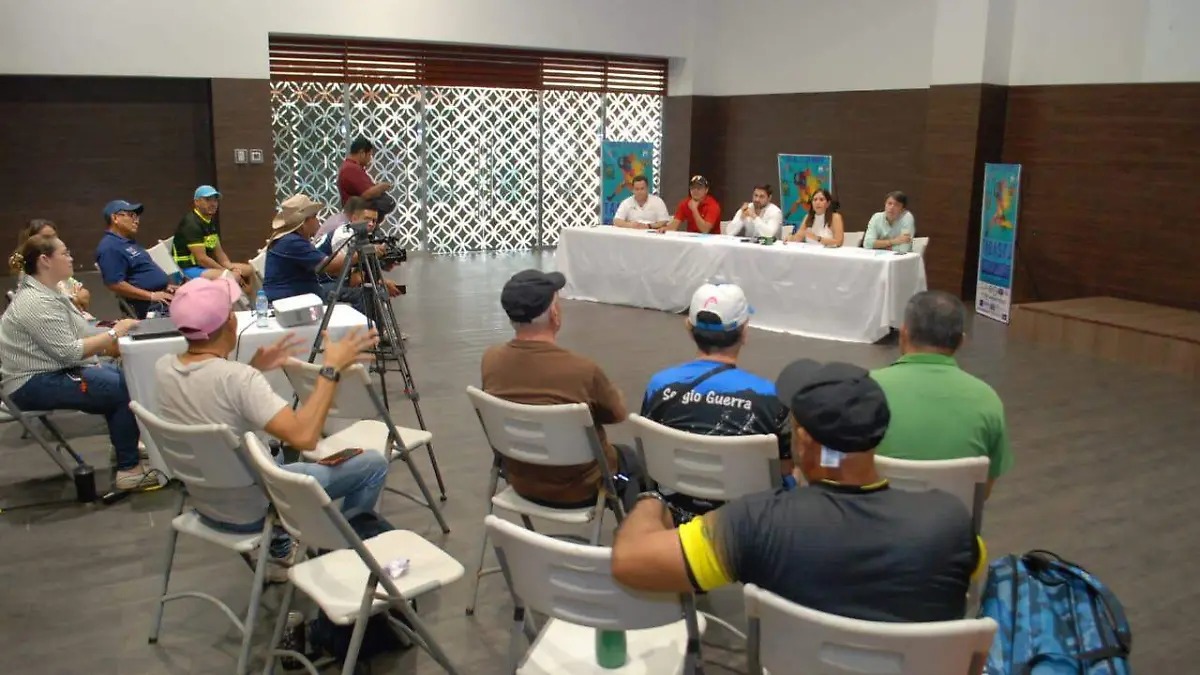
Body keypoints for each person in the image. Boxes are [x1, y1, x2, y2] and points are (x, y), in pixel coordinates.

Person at [611, 358, 985, 623]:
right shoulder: (951, 526)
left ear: (803, 441)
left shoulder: (754, 523)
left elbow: (629, 561)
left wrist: (651, 499)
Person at [154, 276, 387, 573]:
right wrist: (332, 368)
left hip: (206, 504)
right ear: (230, 322)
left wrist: (250, 369)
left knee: (272, 450)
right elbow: (305, 437)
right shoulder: (237, 379)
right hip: (258, 505)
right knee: (372, 465)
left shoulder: (164, 368)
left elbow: (213, 398)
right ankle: (340, 550)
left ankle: (286, 543)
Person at [2, 234, 156, 490]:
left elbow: (80, 334)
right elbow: (69, 353)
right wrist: (114, 333)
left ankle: (124, 449)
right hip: (30, 384)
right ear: (45, 261)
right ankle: (128, 470)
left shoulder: (48, 293)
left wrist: (114, 341)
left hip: (48, 371)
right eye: (65, 253)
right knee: (117, 388)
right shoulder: (36, 302)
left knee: (122, 374)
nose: (71, 257)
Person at [481, 269, 644, 511]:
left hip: (521, 480)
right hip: (580, 487)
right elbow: (616, 414)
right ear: (555, 314)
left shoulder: (491, 360)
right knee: (633, 461)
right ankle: (640, 538)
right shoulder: (582, 371)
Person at [641, 283, 791, 516]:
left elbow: (650, 453)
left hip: (676, 514)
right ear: (744, 332)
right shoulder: (771, 397)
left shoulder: (660, 385)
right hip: (746, 523)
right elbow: (784, 468)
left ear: (689, 328)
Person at [871, 291, 1012, 495]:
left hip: (876, 523)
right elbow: (984, 491)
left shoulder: (865, 389)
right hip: (953, 525)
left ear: (904, 334)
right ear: (961, 342)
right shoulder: (987, 399)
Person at [95, 199, 176, 318]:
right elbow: (115, 284)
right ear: (115, 218)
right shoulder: (109, 247)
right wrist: (152, 295)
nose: (136, 220)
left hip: (161, 297)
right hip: (152, 307)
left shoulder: (128, 243)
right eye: (131, 215)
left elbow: (140, 273)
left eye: (137, 216)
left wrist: (165, 287)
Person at [171, 185, 255, 289]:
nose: (213, 204)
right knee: (230, 277)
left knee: (249, 270)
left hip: (203, 267)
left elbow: (219, 253)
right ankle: (228, 304)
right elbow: (202, 259)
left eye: (215, 200)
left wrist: (230, 267)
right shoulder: (191, 224)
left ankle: (255, 303)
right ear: (196, 202)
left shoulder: (209, 221)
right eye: (208, 200)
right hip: (188, 269)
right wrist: (226, 272)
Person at [14, 219, 93, 318]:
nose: (70, 259)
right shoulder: (32, 275)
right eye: (47, 237)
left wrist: (76, 298)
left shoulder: (58, 271)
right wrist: (73, 300)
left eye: (54, 236)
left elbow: (83, 293)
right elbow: (57, 305)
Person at [261, 194, 328, 303]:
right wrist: (358, 252)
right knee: (357, 294)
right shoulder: (292, 242)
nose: (317, 221)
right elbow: (330, 265)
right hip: (289, 305)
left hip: (295, 300)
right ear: (304, 223)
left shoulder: (290, 239)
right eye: (314, 216)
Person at [338, 137, 392, 209]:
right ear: (362, 153)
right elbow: (366, 194)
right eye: (369, 155)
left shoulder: (349, 166)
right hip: (357, 214)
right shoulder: (351, 168)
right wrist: (382, 187)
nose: (370, 159)